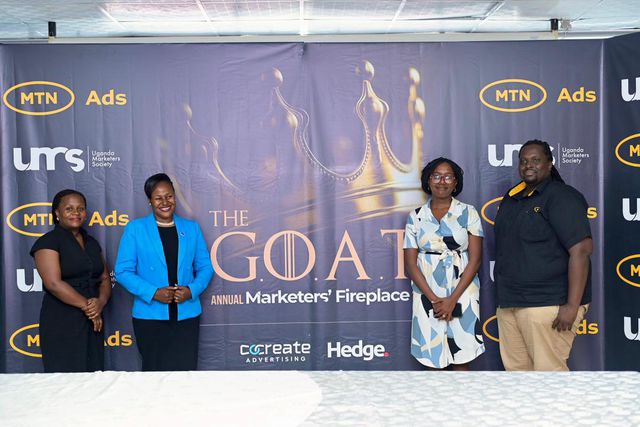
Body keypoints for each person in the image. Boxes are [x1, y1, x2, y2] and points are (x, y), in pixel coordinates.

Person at [494, 139, 592, 371]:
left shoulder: (562, 196)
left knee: (549, 377)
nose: (529, 165)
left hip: (548, 303)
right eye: (523, 161)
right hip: (510, 303)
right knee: (518, 377)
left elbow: (581, 250)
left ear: (549, 163)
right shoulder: (512, 197)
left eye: (536, 160)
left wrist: (572, 305)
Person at [115, 173, 214, 371]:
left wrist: (191, 290)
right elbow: (123, 271)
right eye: (158, 198)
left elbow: (205, 267)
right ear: (150, 201)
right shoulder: (136, 229)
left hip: (187, 314)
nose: (165, 202)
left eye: (169, 196)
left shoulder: (191, 228)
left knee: (185, 372)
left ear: (175, 196)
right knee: (154, 373)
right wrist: (153, 292)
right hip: (150, 316)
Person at [403, 158, 485, 370]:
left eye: (448, 177)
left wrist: (452, 300)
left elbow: (475, 259)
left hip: (463, 289)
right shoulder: (415, 217)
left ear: (455, 182)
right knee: (432, 357)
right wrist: (434, 300)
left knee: (462, 357)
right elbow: (410, 264)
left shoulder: (469, 213)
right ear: (428, 180)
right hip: (426, 291)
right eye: (436, 176)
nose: (442, 181)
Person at [30, 189, 111, 372]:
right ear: (57, 213)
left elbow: (105, 278)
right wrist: (89, 308)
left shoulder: (91, 242)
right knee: (65, 378)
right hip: (62, 319)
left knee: (93, 375)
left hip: (93, 319)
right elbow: (53, 284)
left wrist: (100, 302)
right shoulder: (48, 242)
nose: (76, 213)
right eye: (69, 209)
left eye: (80, 208)